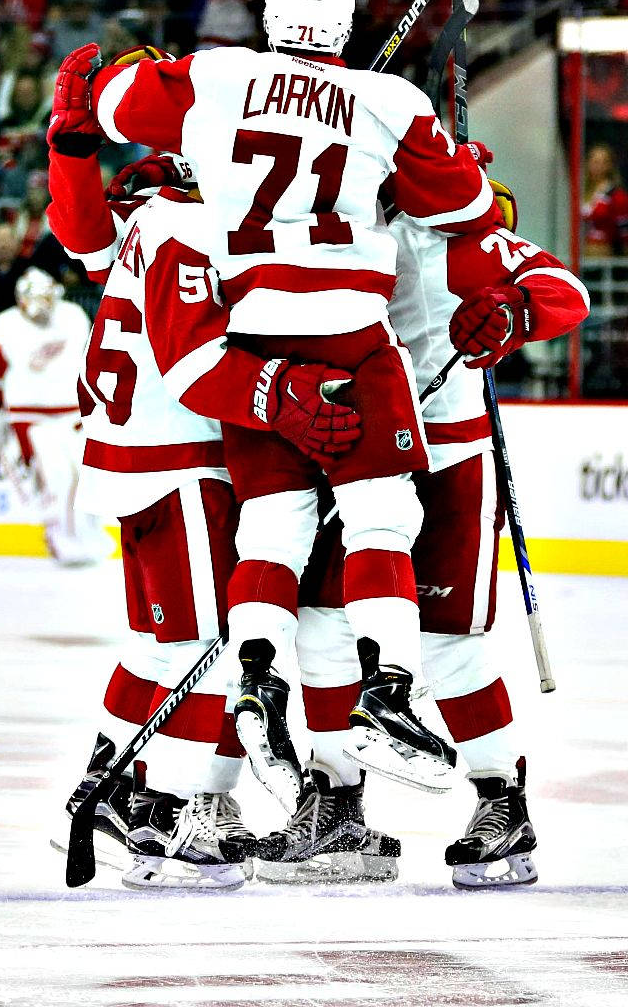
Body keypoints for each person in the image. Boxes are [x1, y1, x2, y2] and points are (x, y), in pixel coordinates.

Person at [67, 0, 505, 814]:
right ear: (345, 27)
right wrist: (424, 157)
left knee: (270, 528)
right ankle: (387, 691)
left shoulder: (217, 76)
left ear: (267, 19)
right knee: (382, 516)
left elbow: (111, 101)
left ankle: (257, 681)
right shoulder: (389, 100)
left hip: (256, 337)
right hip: (352, 333)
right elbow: (466, 211)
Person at [45, 49, 382, 886]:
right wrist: (285, 393)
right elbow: (199, 359)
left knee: (156, 644)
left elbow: (82, 234)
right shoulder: (193, 229)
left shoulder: (149, 214)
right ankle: (171, 809)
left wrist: (72, 150)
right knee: (218, 642)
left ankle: (111, 787)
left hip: (129, 457)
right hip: (182, 457)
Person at [258, 168, 590, 886]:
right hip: (354, 452)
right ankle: (337, 804)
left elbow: (566, 290)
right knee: (322, 628)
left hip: (448, 457)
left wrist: (513, 310)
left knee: (445, 642)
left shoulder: (463, 236)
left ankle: (503, 800)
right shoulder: (333, 228)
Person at [0, 266, 110, 565]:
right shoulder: (1, 328)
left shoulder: (73, 317)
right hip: (30, 419)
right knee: (57, 477)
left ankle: (89, 536)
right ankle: (60, 538)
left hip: (74, 415)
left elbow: (91, 364)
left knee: (87, 478)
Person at [582, 144, 628, 258]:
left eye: (603, 162)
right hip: (579, 254)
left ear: (610, 166)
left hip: (603, 256)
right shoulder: (580, 191)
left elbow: (625, 232)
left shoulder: (616, 195)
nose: (597, 166)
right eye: (594, 161)